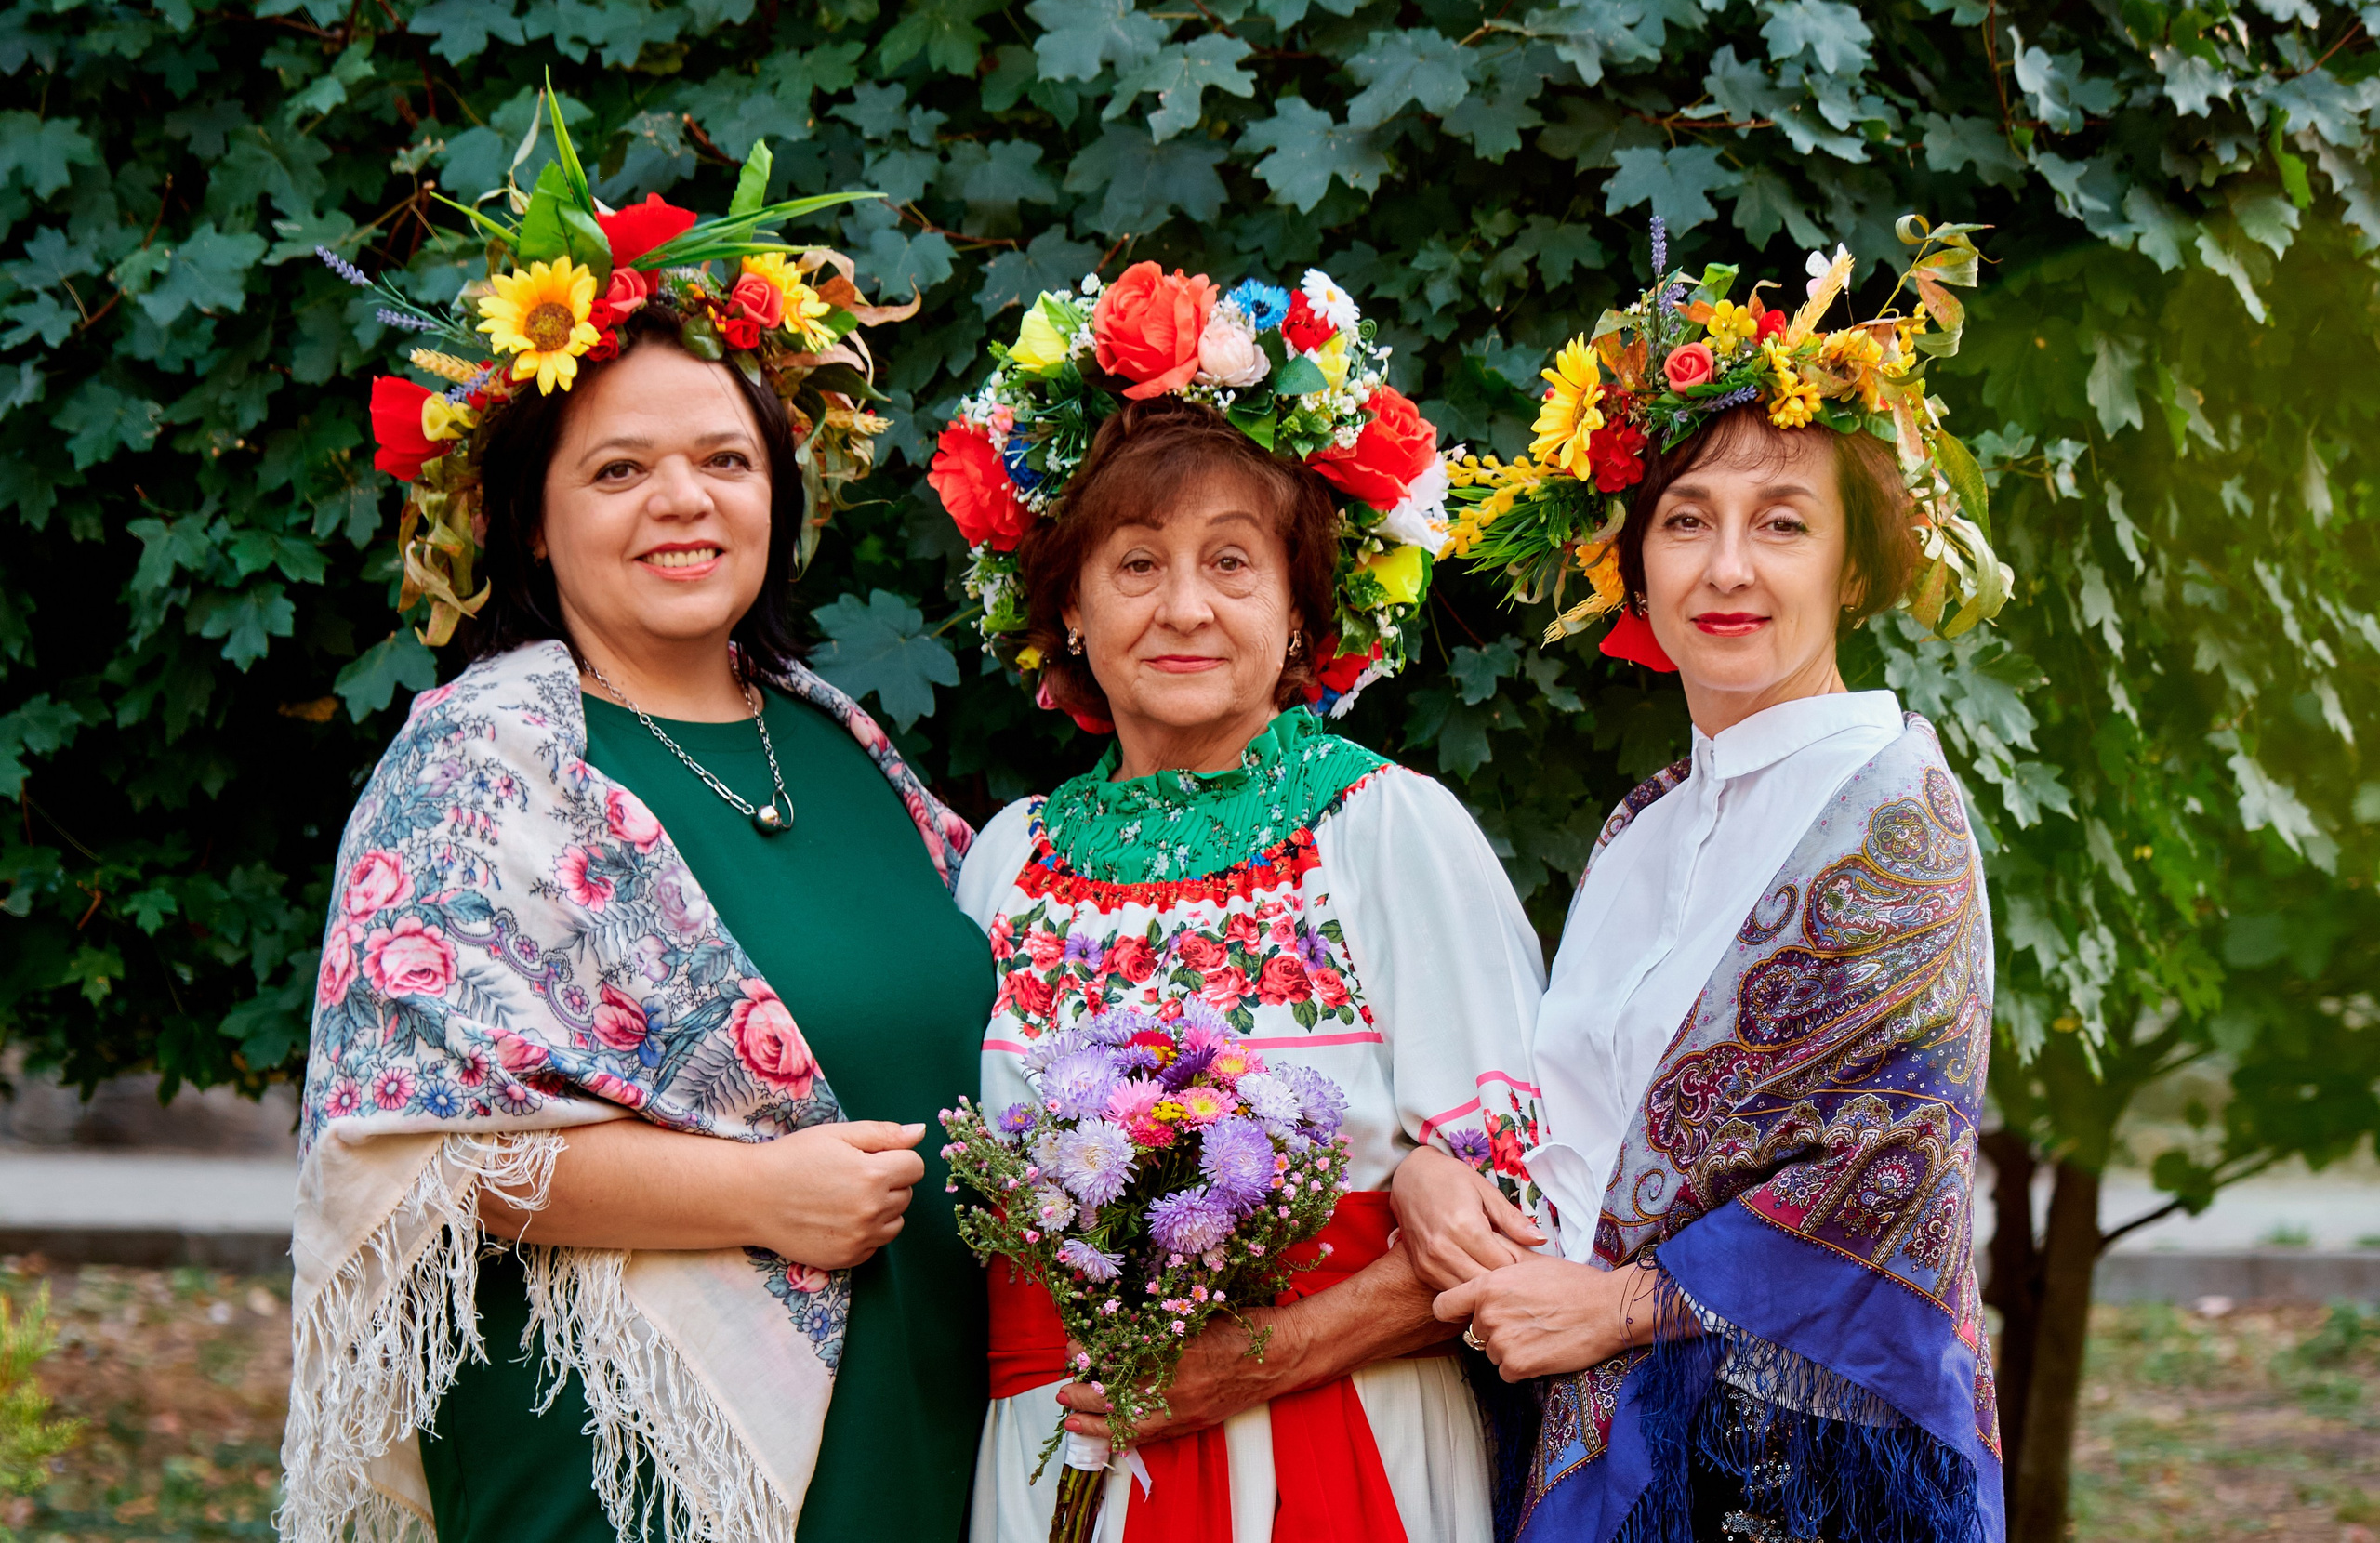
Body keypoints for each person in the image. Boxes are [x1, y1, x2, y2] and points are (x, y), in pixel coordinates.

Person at [281, 104, 986, 1543]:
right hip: (626, 1474)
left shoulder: (848, 753)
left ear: (778, 494)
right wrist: (755, 1196)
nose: (684, 501)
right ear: (533, 521)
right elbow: (413, 1147)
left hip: (911, 1439)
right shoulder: (482, 772)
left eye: (726, 462)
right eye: (618, 470)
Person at [927, 263, 1551, 1542]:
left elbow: (1510, 1209)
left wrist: (1251, 1359)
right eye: (1137, 563)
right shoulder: (1005, 857)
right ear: (1070, 612)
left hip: (1337, 1438)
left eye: (1231, 562)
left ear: (1299, 608)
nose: (1186, 607)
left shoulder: (1387, 832)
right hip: (1062, 1448)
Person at [1431, 219, 2013, 1542]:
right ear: (1634, 563)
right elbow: (1561, 1119)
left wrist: (1625, 1306)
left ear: (1852, 564)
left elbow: (1895, 1170)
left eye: (1782, 523)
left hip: (1796, 1473)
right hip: (1588, 1448)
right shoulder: (1642, 827)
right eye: (1686, 520)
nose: (1728, 566)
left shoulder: (1894, 808)